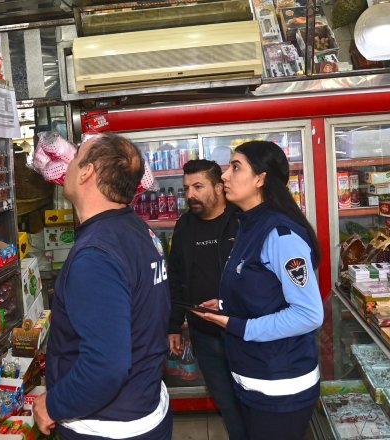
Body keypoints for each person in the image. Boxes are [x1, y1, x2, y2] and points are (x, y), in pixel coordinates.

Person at [33, 133, 173, 440]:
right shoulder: (136, 229)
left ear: (86, 172)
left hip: (107, 428)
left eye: (76, 157)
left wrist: (52, 406)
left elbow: (107, 366)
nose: (67, 164)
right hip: (144, 405)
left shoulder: (96, 255)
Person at [193, 141, 325, 440]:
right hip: (254, 377)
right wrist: (227, 305)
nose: (225, 176)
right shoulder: (248, 225)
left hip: (280, 386)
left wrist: (238, 324)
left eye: (235, 167)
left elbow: (308, 314)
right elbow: (262, 291)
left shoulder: (282, 235)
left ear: (261, 179)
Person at [166, 159, 246, 440]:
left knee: (251, 403)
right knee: (227, 404)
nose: (190, 195)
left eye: (198, 187)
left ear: (219, 186)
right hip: (204, 335)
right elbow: (175, 276)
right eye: (186, 188)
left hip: (244, 332)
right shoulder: (185, 225)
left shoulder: (242, 220)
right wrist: (174, 324)